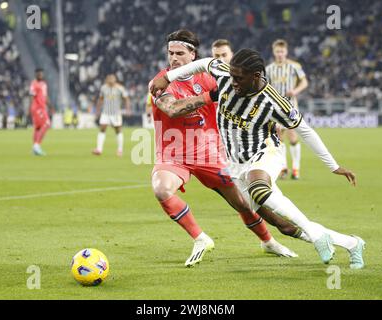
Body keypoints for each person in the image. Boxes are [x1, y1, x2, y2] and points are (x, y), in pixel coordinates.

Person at [150, 49, 366, 269]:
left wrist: (333, 166)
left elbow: (305, 130)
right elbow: (204, 63)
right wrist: (167, 77)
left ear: (256, 76)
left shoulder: (274, 102)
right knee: (282, 224)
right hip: (236, 164)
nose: (232, 82)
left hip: (266, 153)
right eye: (232, 76)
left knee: (259, 188)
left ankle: (316, 236)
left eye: (239, 78)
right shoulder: (226, 77)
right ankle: (352, 243)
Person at [149, 29, 300, 268]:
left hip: (209, 151)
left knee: (242, 202)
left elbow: (250, 98)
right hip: (173, 152)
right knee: (161, 189)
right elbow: (173, 109)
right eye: (170, 53)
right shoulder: (161, 82)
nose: (174, 58)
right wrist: (211, 96)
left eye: (179, 53)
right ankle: (200, 238)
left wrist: (271, 123)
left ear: (193, 55)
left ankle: (268, 241)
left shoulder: (210, 78)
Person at [266, 39, 308, 179]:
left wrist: (296, 91)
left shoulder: (294, 66)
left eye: (282, 51)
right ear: (274, 52)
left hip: (290, 106)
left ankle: (296, 168)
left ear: (286, 52)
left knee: (292, 135)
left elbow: (304, 81)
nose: (280, 54)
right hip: (275, 107)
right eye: (277, 51)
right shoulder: (269, 69)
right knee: (278, 136)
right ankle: (283, 167)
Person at [92, 74, 131, 156]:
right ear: (106, 80)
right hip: (105, 113)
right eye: (108, 79)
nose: (110, 80)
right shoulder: (103, 88)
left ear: (115, 80)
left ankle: (120, 150)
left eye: (112, 79)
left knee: (118, 130)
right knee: (102, 128)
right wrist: (98, 110)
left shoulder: (120, 88)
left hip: (116, 113)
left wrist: (128, 109)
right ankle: (99, 149)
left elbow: (126, 98)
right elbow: (101, 99)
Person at [29, 68, 52, 156]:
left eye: (41, 74)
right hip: (37, 108)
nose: (40, 75)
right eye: (38, 74)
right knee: (47, 124)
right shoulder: (34, 84)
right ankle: (37, 145)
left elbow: (45, 97)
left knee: (38, 128)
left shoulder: (44, 84)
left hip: (42, 108)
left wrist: (50, 107)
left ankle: (35, 148)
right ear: (35, 74)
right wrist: (31, 108)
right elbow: (31, 96)